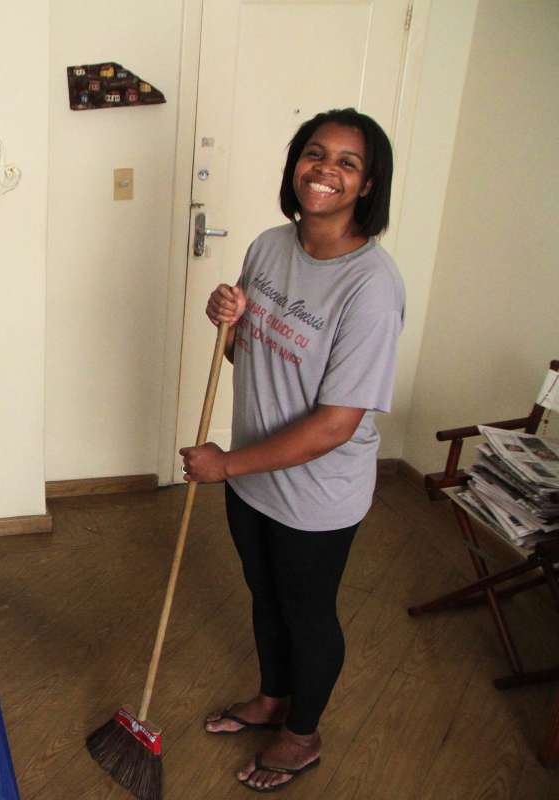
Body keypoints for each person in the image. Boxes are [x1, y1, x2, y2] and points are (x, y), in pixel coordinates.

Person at [180, 108, 404, 792]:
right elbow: (244, 354)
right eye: (316, 153)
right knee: (264, 595)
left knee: (308, 613)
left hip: (316, 492)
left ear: (367, 185)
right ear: (296, 163)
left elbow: (336, 423)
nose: (326, 170)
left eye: (347, 162)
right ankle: (273, 698)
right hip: (254, 478)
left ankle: (302, 735)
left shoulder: (372, 287)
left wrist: (225, 465)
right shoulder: (269, 247)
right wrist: (226, 322)